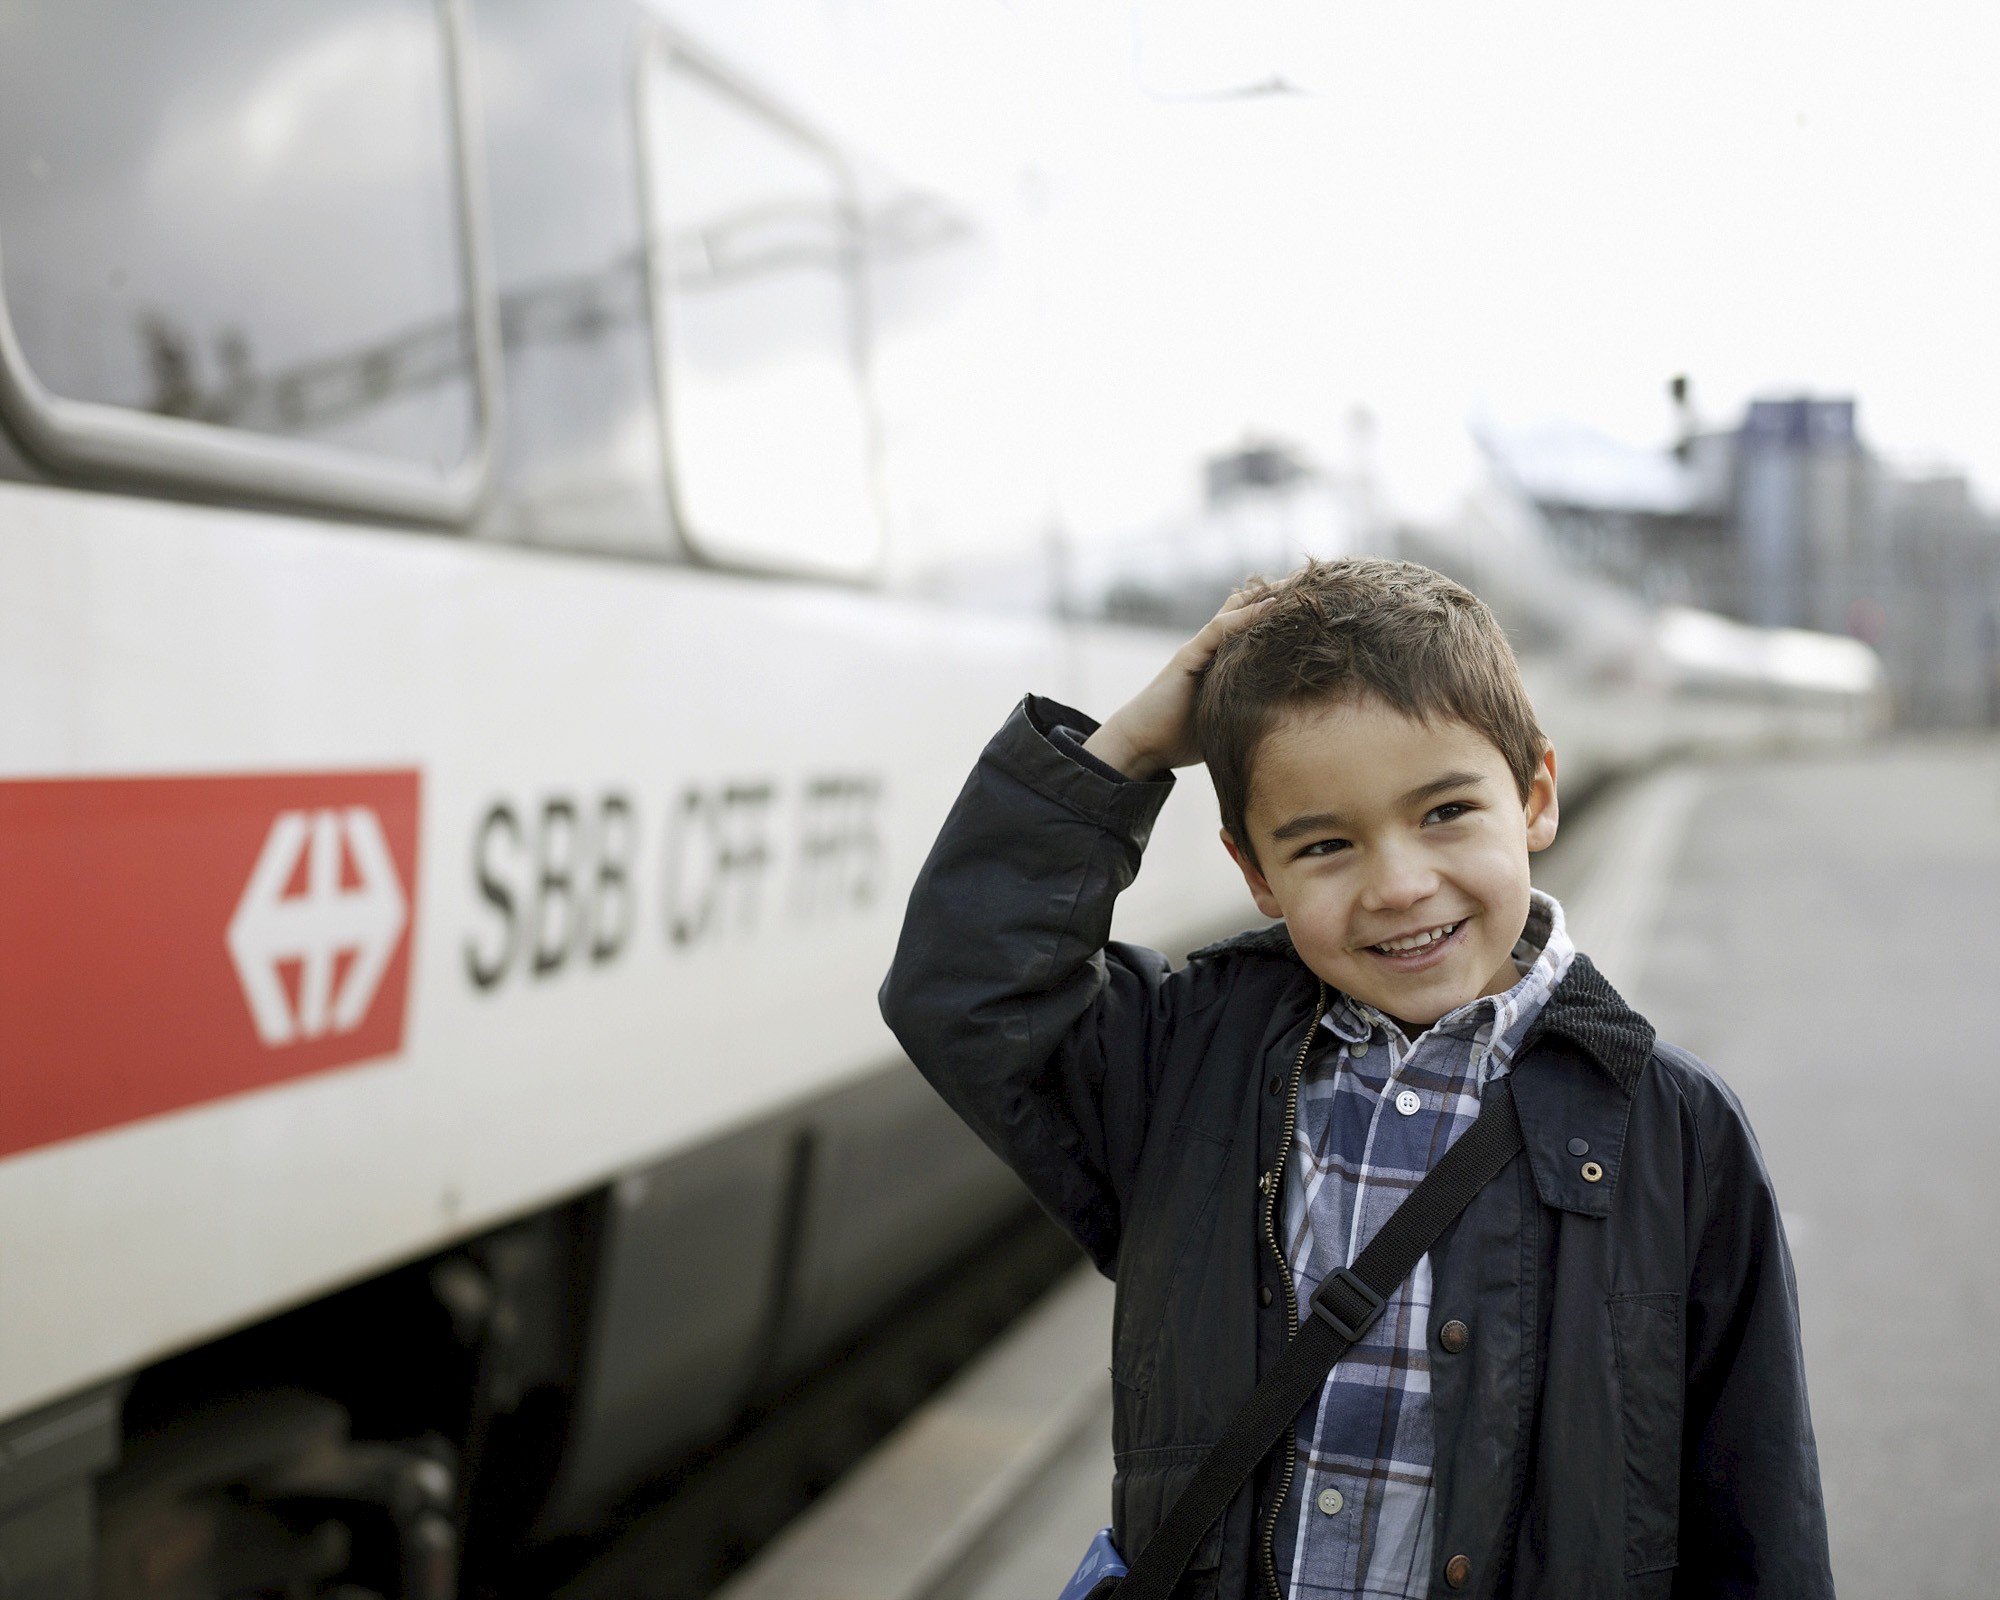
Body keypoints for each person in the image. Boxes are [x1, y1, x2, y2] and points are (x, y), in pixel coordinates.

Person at [880, 557, 1832, 1600]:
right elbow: (966, 989)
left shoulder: (1674, 1133)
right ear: (1254, 872)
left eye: (1443, 814)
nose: (1396, 884)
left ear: (1534, 798)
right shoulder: (1187, 1064)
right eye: (1325, 844)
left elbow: (1755, 1511)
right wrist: (1126, 750)